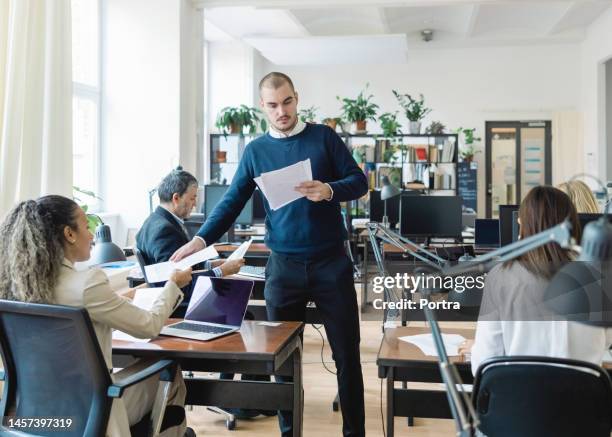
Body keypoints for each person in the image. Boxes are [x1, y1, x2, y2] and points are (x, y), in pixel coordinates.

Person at [171, 72, 368, 437]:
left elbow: (359, 181)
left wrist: (328, 189)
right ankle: (288, 432)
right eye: (273, 105)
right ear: (263, 107)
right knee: (282, 362)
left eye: (288, 102)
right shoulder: (256, 150)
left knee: (347, 357)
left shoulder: (323, 137)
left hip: (331, 264)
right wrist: (199, 242)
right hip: (285, 268)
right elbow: (231, 202)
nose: (282, 111)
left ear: (297, 98)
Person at [0, 195, 195, 437]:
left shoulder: (13, 287)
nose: (92, 235)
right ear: (69, 234)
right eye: (85, 226)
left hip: (30, 416)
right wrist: (173, 284)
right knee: (170, 372)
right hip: (91, 414)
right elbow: (149, 326)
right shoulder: (87, 284)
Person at [459, 186, 612, 375]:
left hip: (519, 401)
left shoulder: (501, 276)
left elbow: (483, 365)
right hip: (584, 401)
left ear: (522, 225)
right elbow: (605, 342)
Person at [137, 167, 244, 277]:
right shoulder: (165, 231)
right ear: (176, 198)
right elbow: (178, 283)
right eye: (192, 198)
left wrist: (209, 265)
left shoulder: (153, 221)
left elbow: (183, 266)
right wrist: (221, 271)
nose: (195, 204)